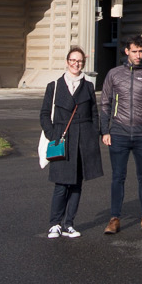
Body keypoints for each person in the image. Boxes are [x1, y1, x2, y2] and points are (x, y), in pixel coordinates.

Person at [99, 35, 142, 234]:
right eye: (134, 51)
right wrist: (105, 130)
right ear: (127, 51)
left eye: (141, 51)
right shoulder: (114, 74)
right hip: (118, 132)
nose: (138, 55)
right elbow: (105, 102)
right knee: (118, 176)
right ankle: (114, 218)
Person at [41, 46, 103, 238]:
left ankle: (69, 223)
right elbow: (44, 114)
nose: (76, 64)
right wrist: (53, 134)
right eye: (73, 60)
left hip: (83, 140)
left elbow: (94, 113)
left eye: (80, 62)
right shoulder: (55, 86)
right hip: (62, 139)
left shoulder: (88, 86)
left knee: (76, 184)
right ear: (67, 62)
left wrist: (93, 135)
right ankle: (55, 223)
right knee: (61, 184)